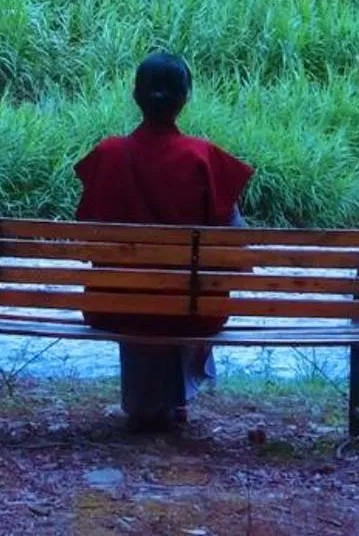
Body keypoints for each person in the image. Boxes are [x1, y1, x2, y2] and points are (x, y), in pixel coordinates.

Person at [72, 50, 256, 432]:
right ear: (185, 98)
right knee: (191, 289)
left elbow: (86, 236)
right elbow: (237, 246)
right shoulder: (203, 158)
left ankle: (146, 404)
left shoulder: (107, 155)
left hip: (112, 305)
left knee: (141, 291)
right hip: (193, 310)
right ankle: (174, 400)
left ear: (135, 96)